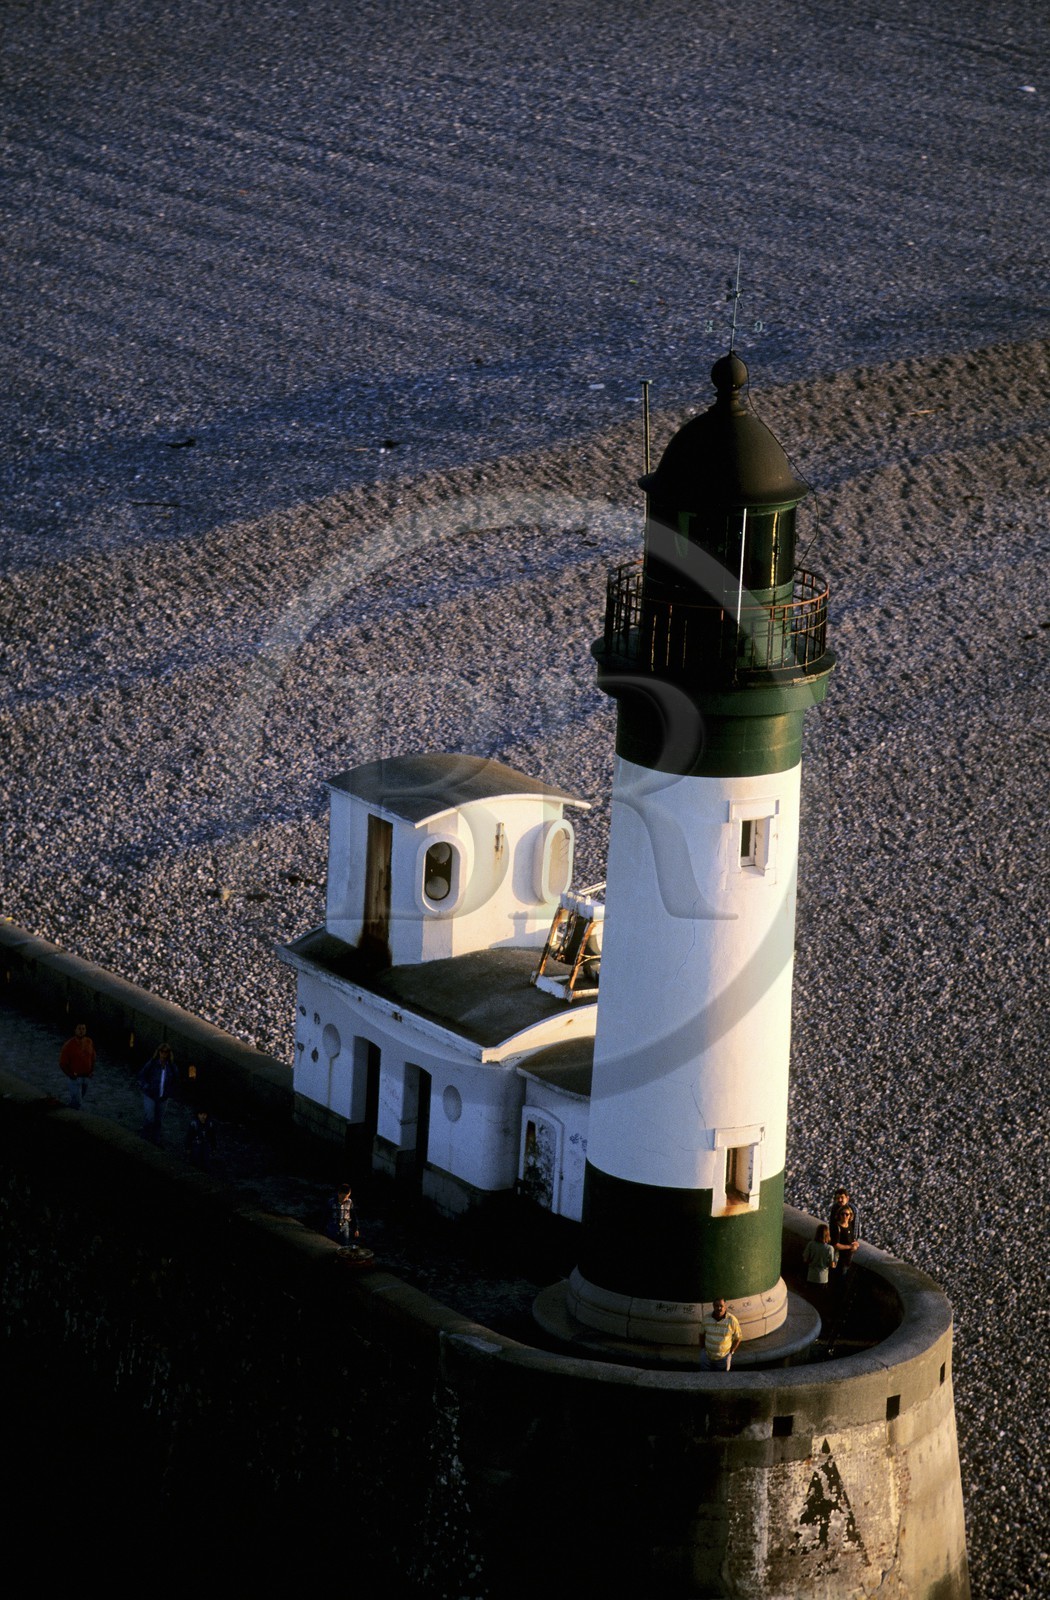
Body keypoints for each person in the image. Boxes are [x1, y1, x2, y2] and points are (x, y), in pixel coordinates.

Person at [136, 1042, 179, 1145]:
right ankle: (144, 1137)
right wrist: (146, 1086)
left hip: (163, 1097)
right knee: (150, 1117)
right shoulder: (152, 1064)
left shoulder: (171, 1067)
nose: (164, 1054)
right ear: (158, 1052)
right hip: (150, 1095)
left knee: (158, 1120)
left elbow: (176, 1081)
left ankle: (155, 1140)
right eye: (162, 1052)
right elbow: (141, 1076)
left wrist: (170, 1092)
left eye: (166, 1052)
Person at [59, 1021, 95, 1109]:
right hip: (75, 1078)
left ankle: (70, 1110)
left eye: (83, 1029)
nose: (81, 1031)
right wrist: (70, 1075)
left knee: (80, 1098)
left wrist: (91, 1071)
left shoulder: (89, 1042)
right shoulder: (68, 1045)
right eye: (79, 1029)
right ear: (75, 1030)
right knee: (77, 1101)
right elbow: (62, 1063)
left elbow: (93, 1057)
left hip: (86, 1077)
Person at [699, 1296, 742, 1371]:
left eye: (721, 1306)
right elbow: (701, 1334)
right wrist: (703, 1350)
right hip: (707, 1357)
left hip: (723, 1359)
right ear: (713, 1306)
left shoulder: (732, 1320)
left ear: (725, 1307)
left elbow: (738, 1338)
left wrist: (731, 1353)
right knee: (704, 1379)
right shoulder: (706, 1318)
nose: (719, 1308)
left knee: (722, 1380)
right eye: (716, 1306)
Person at [829, 1191, 860, 1285]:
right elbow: (831, 1224)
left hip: (847, 1247)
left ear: (847, 1198)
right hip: (838, 1246)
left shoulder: (853, 1210)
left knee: (844, 1271)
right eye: (837, 1198)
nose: (840, 1200)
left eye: (842, 1197)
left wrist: (854, 1243)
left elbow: (856, 1228)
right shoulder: (835, 1208)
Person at [326, 1183, 359, 1248]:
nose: (345, 1199)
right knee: (331, 1245)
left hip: (345, 1227)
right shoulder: (331, 1202)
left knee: (344, 1246)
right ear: (339, 1193)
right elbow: (325, 1216)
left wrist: (356, 1229)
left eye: (347, 1197)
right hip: (333, 1227)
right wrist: (321, 1228)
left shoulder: (349, 1202)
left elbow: (353, 1215)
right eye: (343, 1197)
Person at [184, 1107, 217, 1171]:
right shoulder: (194, 1124)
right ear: (198, 1115)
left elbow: (213, 1137)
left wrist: (214, 1147)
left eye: (204, 1114)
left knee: (206, 1161)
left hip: (205, 1144)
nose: (203, 1116)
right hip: (195, 1145)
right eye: (201, 1114)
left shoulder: (209, 1124)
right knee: (194, 1160)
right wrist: (187, 1148)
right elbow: (189, 1137)